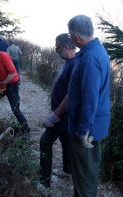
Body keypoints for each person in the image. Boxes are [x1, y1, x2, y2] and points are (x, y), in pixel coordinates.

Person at [67, 15, 111, 197]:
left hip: (87, 130)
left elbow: (90, 99)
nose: (70, 39)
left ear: (76, 37)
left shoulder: (90, 58)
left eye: (70, 36)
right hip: (91, 126)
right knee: (83, 174)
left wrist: (83, 130)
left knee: (85, 178)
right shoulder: (97, 51)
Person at [39, 33, 76, 189]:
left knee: (45, 141)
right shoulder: (69, 62)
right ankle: (68, 169)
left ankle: (44, 181)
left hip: (63, 114)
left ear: (66, 47)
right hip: (63, 114)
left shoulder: (74, 64)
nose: (56, 51)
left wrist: (55, 115)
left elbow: (71, 94)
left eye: (57, 48)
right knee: (65, 140)